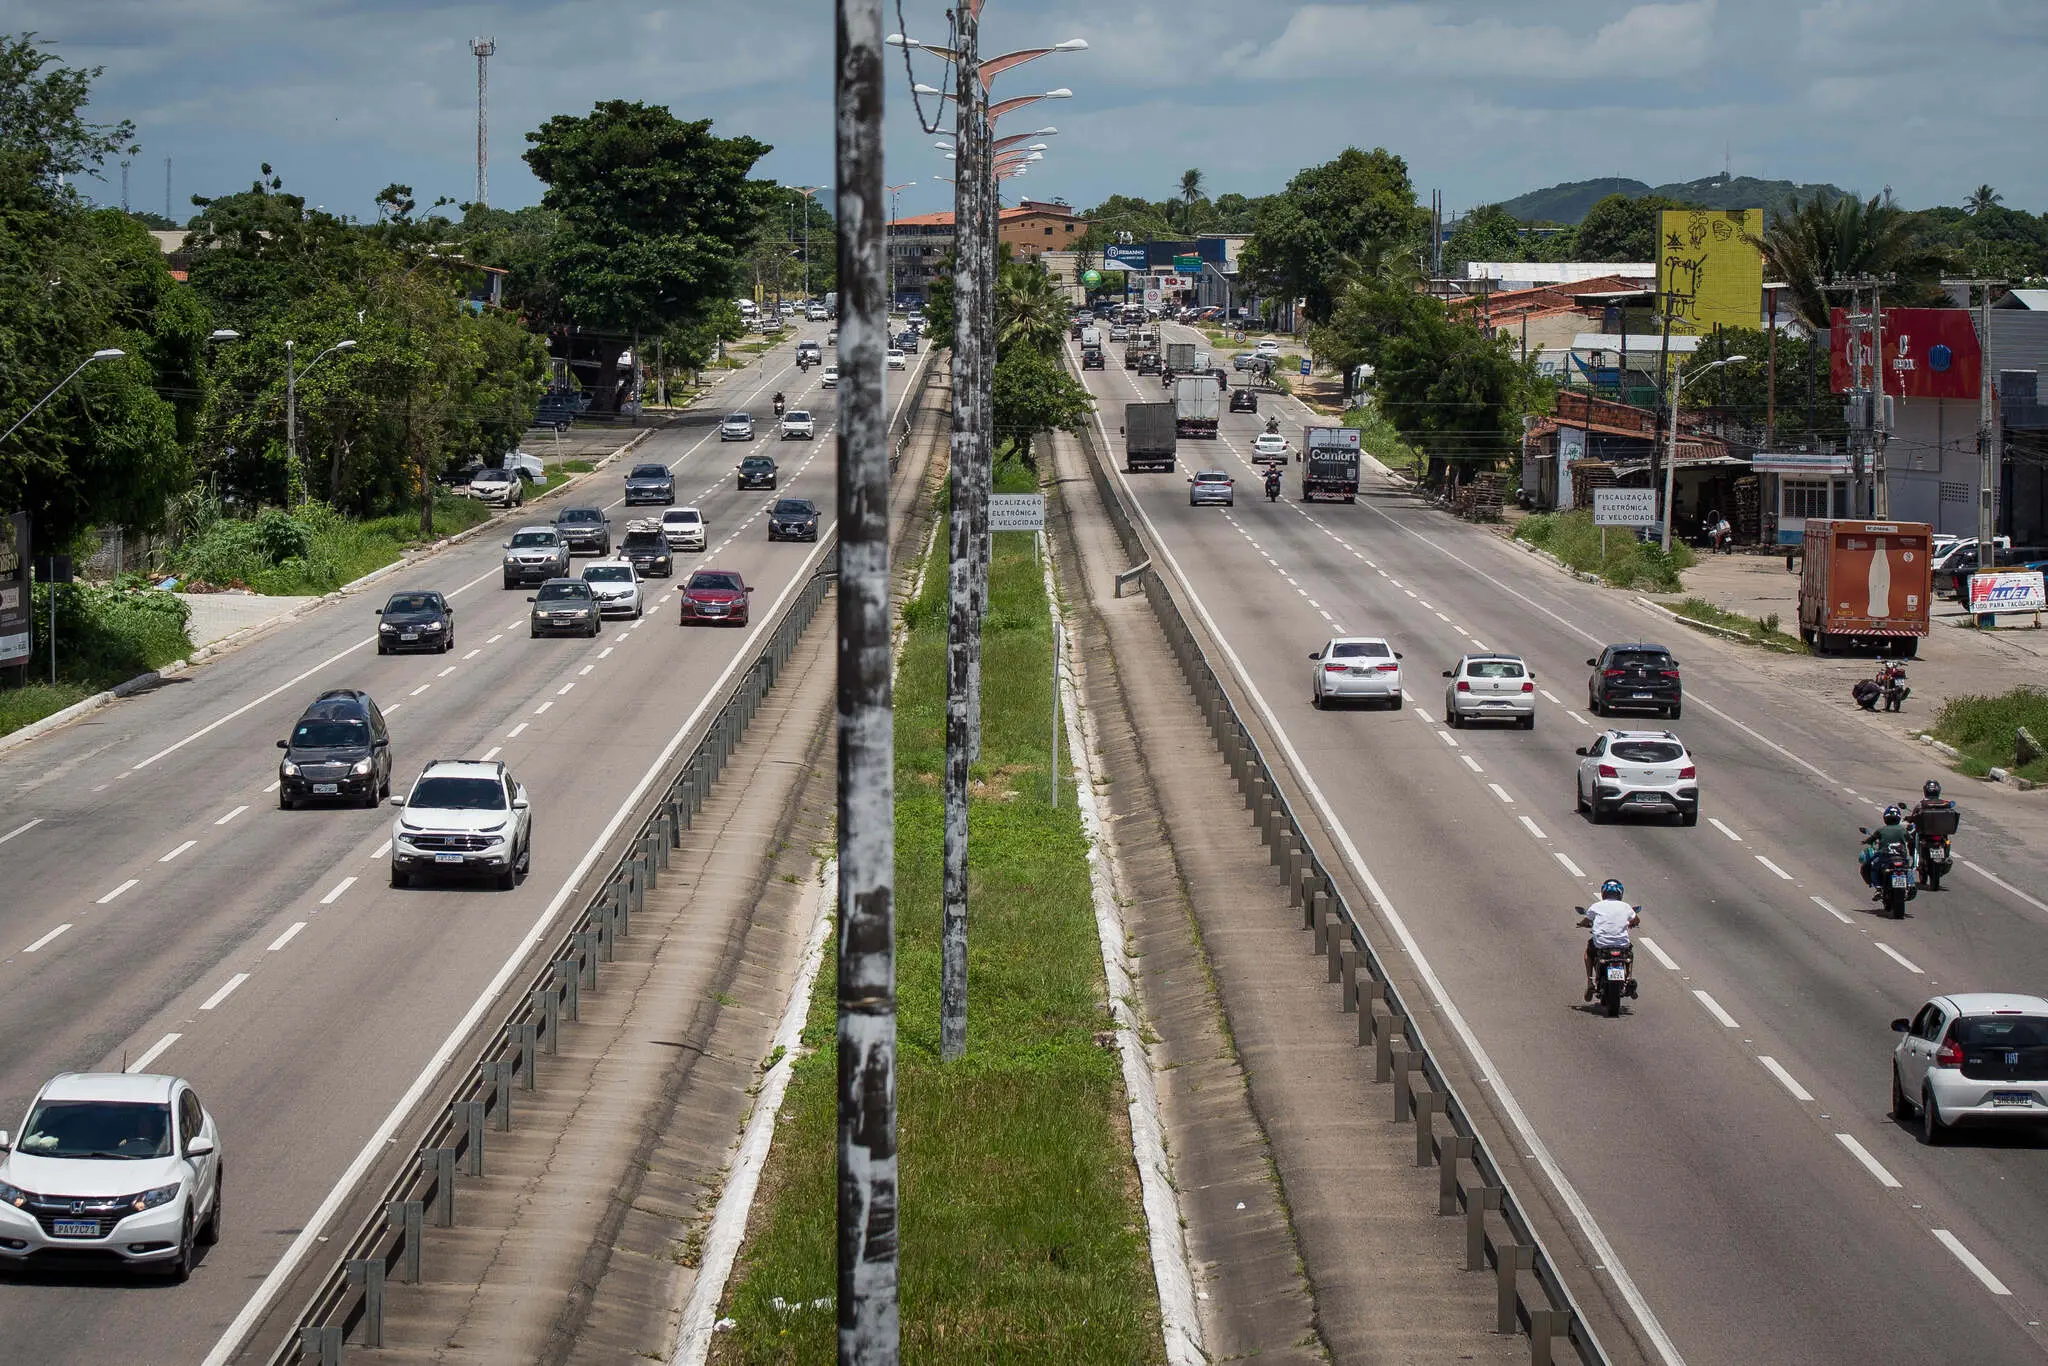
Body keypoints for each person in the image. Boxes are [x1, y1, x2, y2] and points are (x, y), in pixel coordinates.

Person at [1579, 879, 1639, 1001]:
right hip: (1622, 945)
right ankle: (1628, 979)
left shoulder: (1596, 906)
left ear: (1603, 893)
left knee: (1588, 952)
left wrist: (1581, 924)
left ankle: (1590, 982)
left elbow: (1586, 920)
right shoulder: (1626, 907)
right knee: (1629, 955)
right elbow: (1636, 920)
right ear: (1620, 893)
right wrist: (1631, 924)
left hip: (1601, 945)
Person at [1860, 805, 1914, 896]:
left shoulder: (1881, 830)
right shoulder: (1902, 830)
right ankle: (1911, 884)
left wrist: (1865, 841)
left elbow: (1871, 838)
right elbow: (1910, 839)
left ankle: (1878, 887)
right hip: (1901, 856)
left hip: (1885, 856)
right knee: (1908, 868)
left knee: (1873, 867)